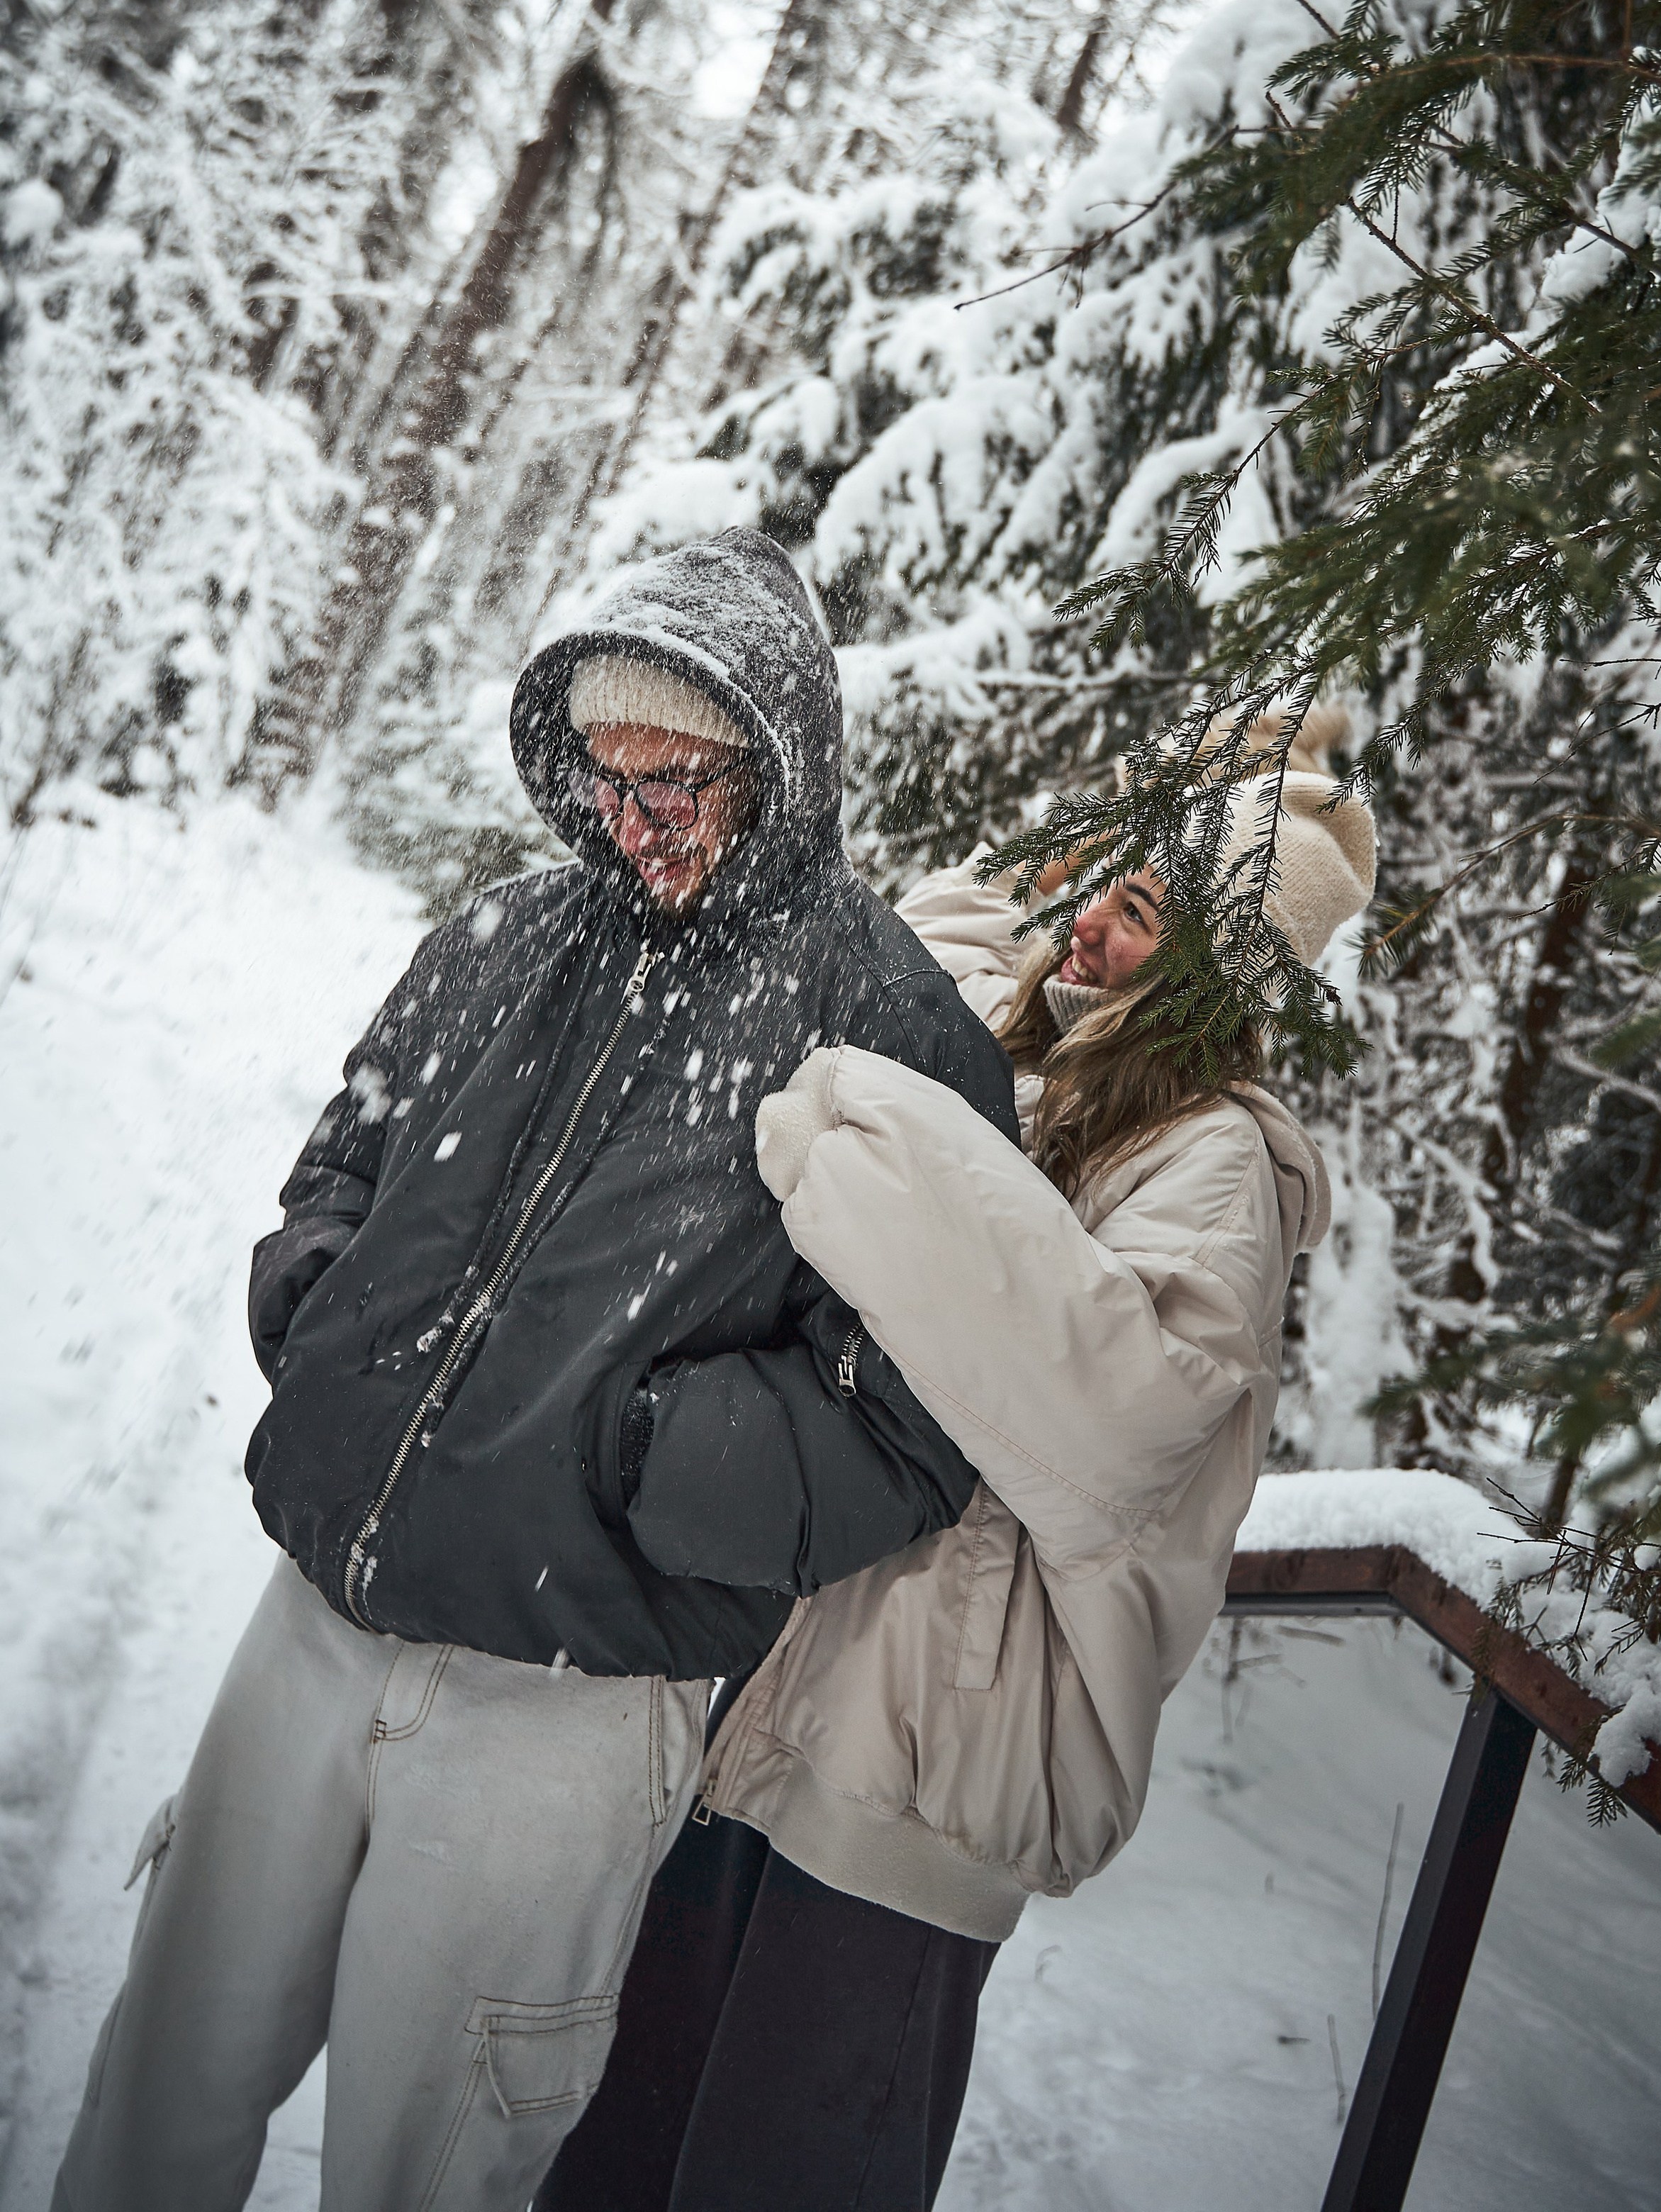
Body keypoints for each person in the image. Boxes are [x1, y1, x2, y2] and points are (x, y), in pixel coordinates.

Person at [55, 527, 1016, 2212]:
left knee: (430, 2167)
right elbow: (339, 1162)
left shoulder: (888, 1027)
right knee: (159, 2098)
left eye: (682, 782)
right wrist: (317, 1310)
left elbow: (920, 1414)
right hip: (309, 1635)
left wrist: (645, 1459)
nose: (635, 819)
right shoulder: (502, 932)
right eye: (609, 774)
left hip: (563, 1709)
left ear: (776, 768)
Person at [540, 720, 1374, 2212]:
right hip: (781, 1710)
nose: (1095, 928)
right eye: (1102, 891)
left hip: (927, 1779)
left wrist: (864, 1166)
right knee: (616, 2151)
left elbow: (1104, 1421)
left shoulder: (1211, 1172)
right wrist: (1040, 868)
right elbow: (906, 974)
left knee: (781, 2173)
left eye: (1142, 917)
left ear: (1215, 979)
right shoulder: (1040, 1076)